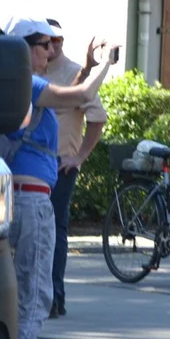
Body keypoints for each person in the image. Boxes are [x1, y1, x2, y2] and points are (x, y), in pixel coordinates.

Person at [0, 17, 117, 339]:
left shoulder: (2, 84)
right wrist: (108, 64)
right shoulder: (28, 84)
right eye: (43, 45)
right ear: (25, 49)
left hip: (6, 202)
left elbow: (67, 96)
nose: (50, 51)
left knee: (8, 293)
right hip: (33, 204)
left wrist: (85, 67)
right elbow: (80, 96)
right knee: (33, 295)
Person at [44, 19, 108, 319]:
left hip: (60, 165)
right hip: (24, 165)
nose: (51, 46)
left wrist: (79, 158)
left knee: (55, 230)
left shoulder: (72, 72)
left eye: (56, 40)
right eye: (45, 41)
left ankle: (55, 297)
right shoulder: (28, 70)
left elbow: (97, 117)